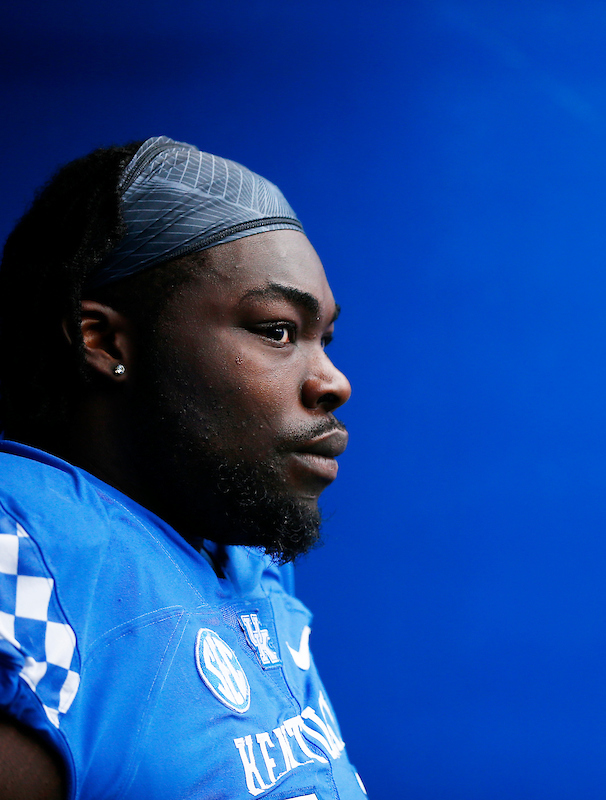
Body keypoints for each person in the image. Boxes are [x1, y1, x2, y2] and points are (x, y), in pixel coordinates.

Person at [0, 137, 365, 799]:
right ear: (105, 341)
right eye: (277, 329)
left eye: (324, 338)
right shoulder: (24, 553)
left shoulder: (245, 560)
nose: (333, 382)